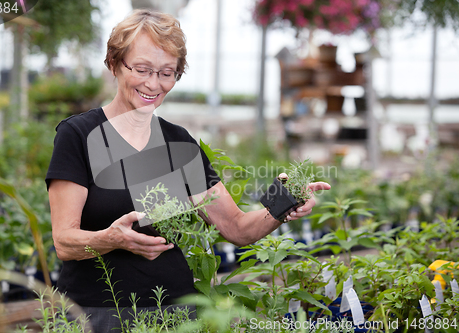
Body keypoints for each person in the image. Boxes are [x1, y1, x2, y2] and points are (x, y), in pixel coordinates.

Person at [45, 9, 330, 332]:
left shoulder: (179, 143)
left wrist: (285, 202)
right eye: (142, 69)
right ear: (114, 64)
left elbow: (236, 227)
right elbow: (64, 241)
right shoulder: (78, 135)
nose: (154, 84)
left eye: (167, 73)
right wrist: (111, 239)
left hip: (176, 315)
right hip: (97, 315)